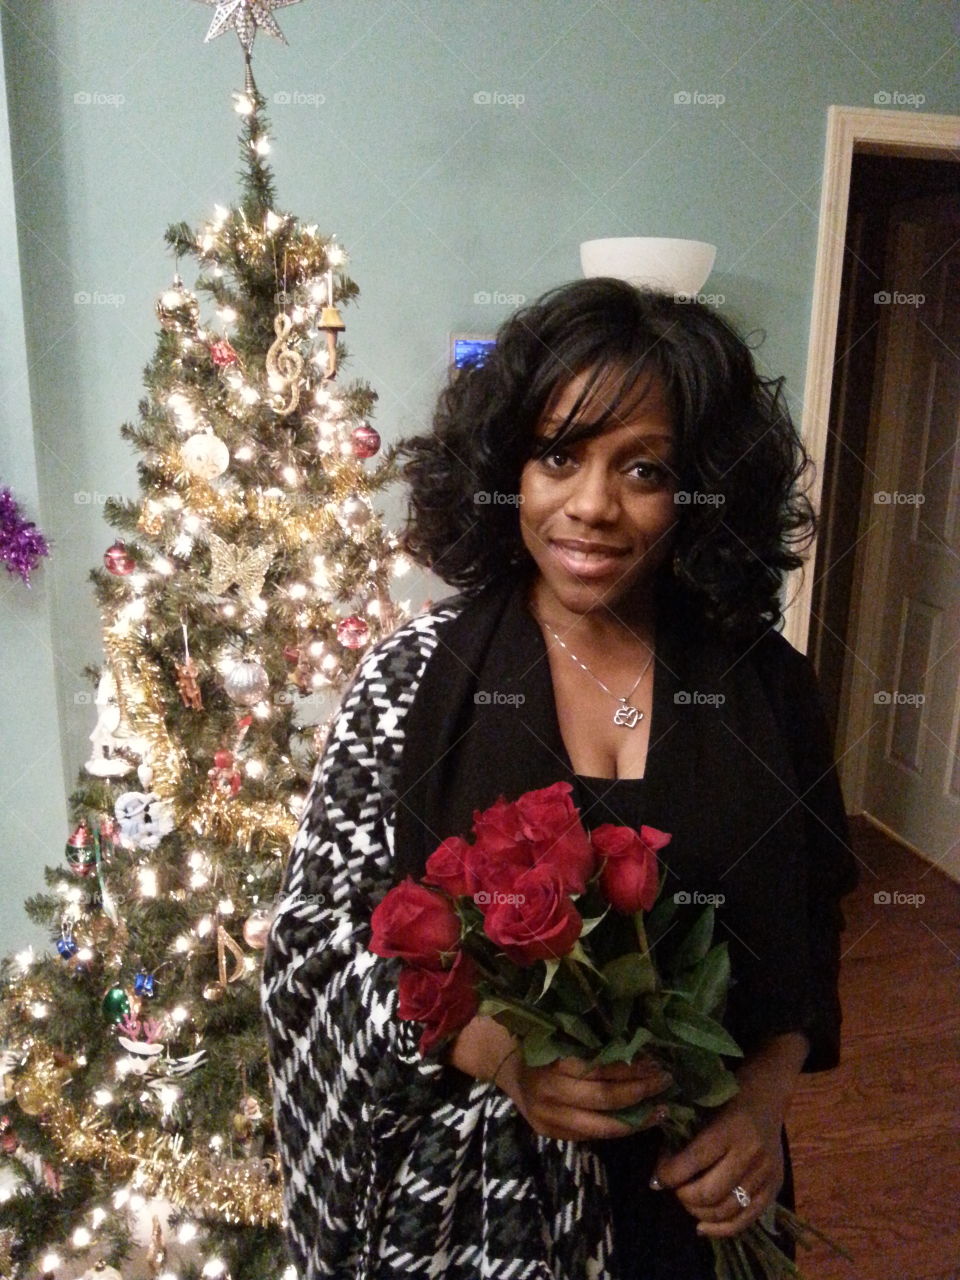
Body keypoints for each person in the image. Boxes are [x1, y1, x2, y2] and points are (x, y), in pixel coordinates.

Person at [261, 278, 859, 1280]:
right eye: (558, 455)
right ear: (507, 469)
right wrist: (495, 1051)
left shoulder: (770, 685)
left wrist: (764, 1099)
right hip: (470, 1210)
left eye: (645, 468)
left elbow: (811, 923)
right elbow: (315, 945)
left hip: (699, 1204)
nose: (592, 504)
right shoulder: (416, 680)